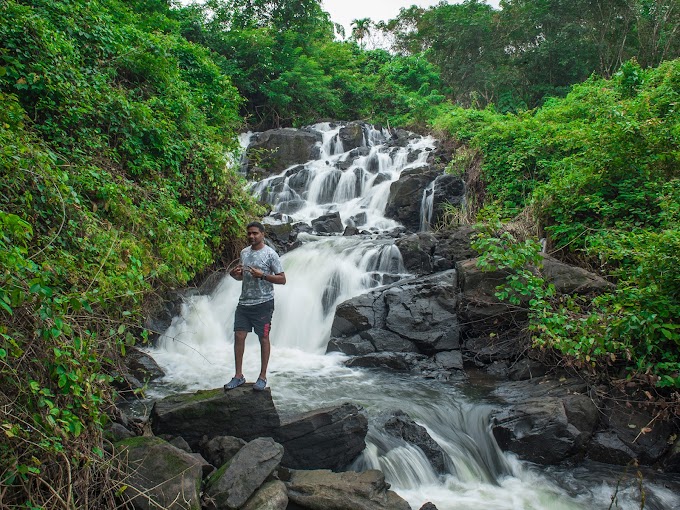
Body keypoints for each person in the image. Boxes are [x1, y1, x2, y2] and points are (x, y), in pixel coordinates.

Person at [225, 221, 286, 391]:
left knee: (263, 338)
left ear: (262, 234)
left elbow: (282, 279)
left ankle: (262, 376)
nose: (251, 236)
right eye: (249, 233)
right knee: (239, 336)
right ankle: (238, 376)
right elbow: (242, 278)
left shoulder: (270, 254)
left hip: (263, 303)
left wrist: (263, 275)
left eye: (255, 233)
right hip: (244, 302)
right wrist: (233, 274)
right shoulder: (244, 253)